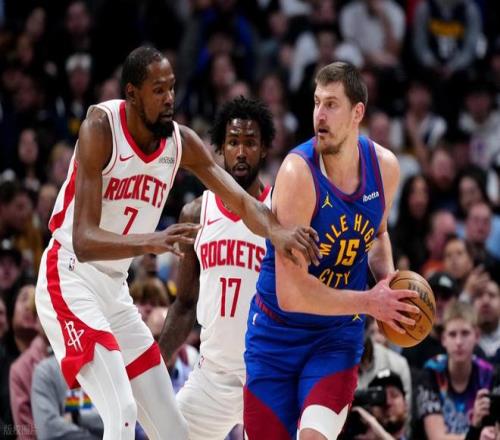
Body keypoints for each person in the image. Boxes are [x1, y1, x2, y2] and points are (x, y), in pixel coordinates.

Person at [34, 46, 319, 440]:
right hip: (69, 278)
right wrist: (151, 241)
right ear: (132, 94)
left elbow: (240, 200)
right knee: (122, 412)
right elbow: (83, 241)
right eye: (158, 90)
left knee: (173, 431)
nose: (169, 98)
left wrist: (278, 232)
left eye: (171, 88)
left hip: (115, 291)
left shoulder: (180, 142)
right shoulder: (101, 128)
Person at [243, 61, 420, 440]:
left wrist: (387, 282)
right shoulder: (298, 173)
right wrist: (371, 302)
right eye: (316, 102)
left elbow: (378, 235)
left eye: (331, 104)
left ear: (358, 113)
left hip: (336, 338)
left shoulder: (385, 168)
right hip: (276, 335)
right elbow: (292, 294)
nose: (319, 115)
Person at [159, 96, 275, 439]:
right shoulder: (196, 213)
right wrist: (154, 364)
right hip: (213, 377)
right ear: (220, 149)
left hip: (269, 376)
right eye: (233, 142)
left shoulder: (279, 212)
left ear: (264, 150)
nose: (241, 152)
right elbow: (184, 304)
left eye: (250, 143)